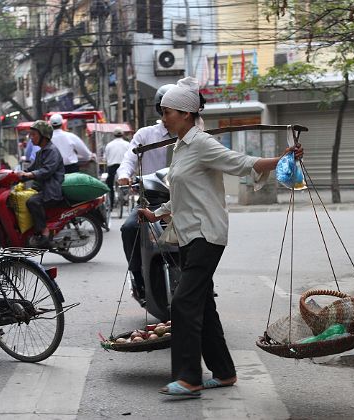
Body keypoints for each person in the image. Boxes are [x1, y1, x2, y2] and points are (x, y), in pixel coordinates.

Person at [138, 77, 304, 398]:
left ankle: (188, 379)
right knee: (202, 306)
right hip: (189, 235)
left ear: (186, 114)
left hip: (206, 234)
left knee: (184, 303)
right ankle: (224, 372)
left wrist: (282, 159)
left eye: (168, 112)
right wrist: (157, 213)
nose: (163, 118)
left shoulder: (201, 142)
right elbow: (185, 192)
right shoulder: (181, 146)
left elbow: (240, 163)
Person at [116, 84, 175, 305]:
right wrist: (123, 175)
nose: (172, 115)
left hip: (182, 201)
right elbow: (129, 160)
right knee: (129, 229)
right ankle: (138, 277)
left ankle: (205, 282)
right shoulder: (146, 134)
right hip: (150, 200)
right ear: (161, 111)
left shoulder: (189, 136)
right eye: (167, 110)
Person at [16, 120, 65, 248]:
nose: (31, 138)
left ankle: (44, 232)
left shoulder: (52, 151)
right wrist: (16, 175)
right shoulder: (41, 152)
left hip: (51, 190)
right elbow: (30, 169)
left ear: (44, 136)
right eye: (30, 135)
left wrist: (29, 175)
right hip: (43, 188)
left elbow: (47, 170)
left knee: (32, 202)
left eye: (33, 135)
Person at [103, 127, 130, 209]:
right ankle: (125, 197)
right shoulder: (127, 144)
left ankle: (111, 204)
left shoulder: (109, 145)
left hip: (112, 167)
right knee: (127, 182)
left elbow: (105, 158)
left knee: (109, 184)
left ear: (113, 135)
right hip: (124, 166)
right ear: (123, 135)